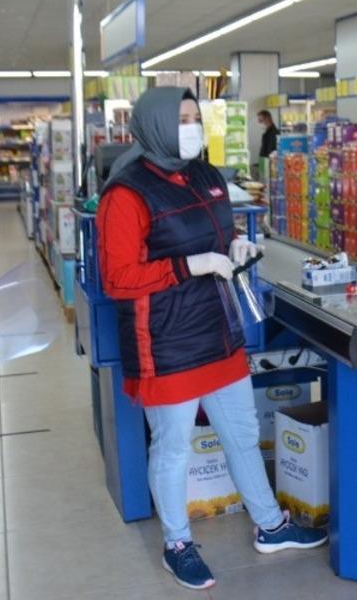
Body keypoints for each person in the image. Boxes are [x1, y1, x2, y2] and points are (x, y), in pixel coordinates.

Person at [96, 87, 325, 591]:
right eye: (181, 118)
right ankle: (177, 544)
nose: (192, 126)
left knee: (242, 435)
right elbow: (118, 278)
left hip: (219, 332)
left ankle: (271, 525)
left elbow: (215, 237)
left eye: (196, 117)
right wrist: (188, 265)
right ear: (155, 123)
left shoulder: (205, 173)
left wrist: (234, 247)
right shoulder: (127, 193)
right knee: (173, 448)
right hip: (166, 343)